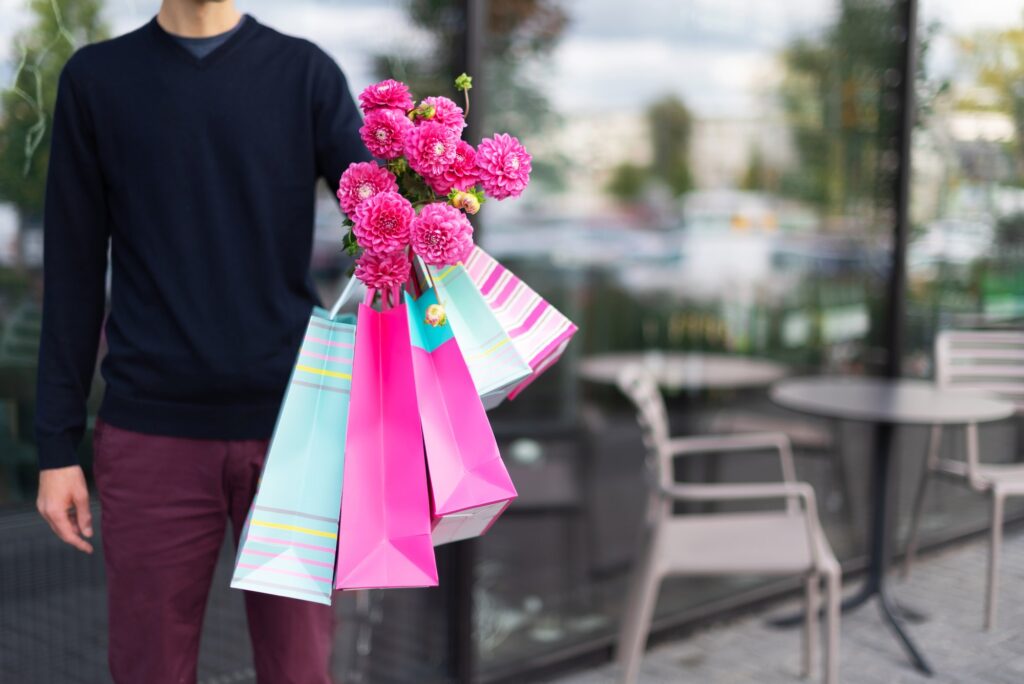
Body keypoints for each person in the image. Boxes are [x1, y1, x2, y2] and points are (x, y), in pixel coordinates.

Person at [33, 0, 370, 681]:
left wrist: (435, 197)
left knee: (299, 670)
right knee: (148, 667)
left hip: (294, 436)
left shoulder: (305, 75)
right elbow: (71, 271)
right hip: (151, 434)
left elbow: (384, 226)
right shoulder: (96, 80)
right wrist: (55, 445)